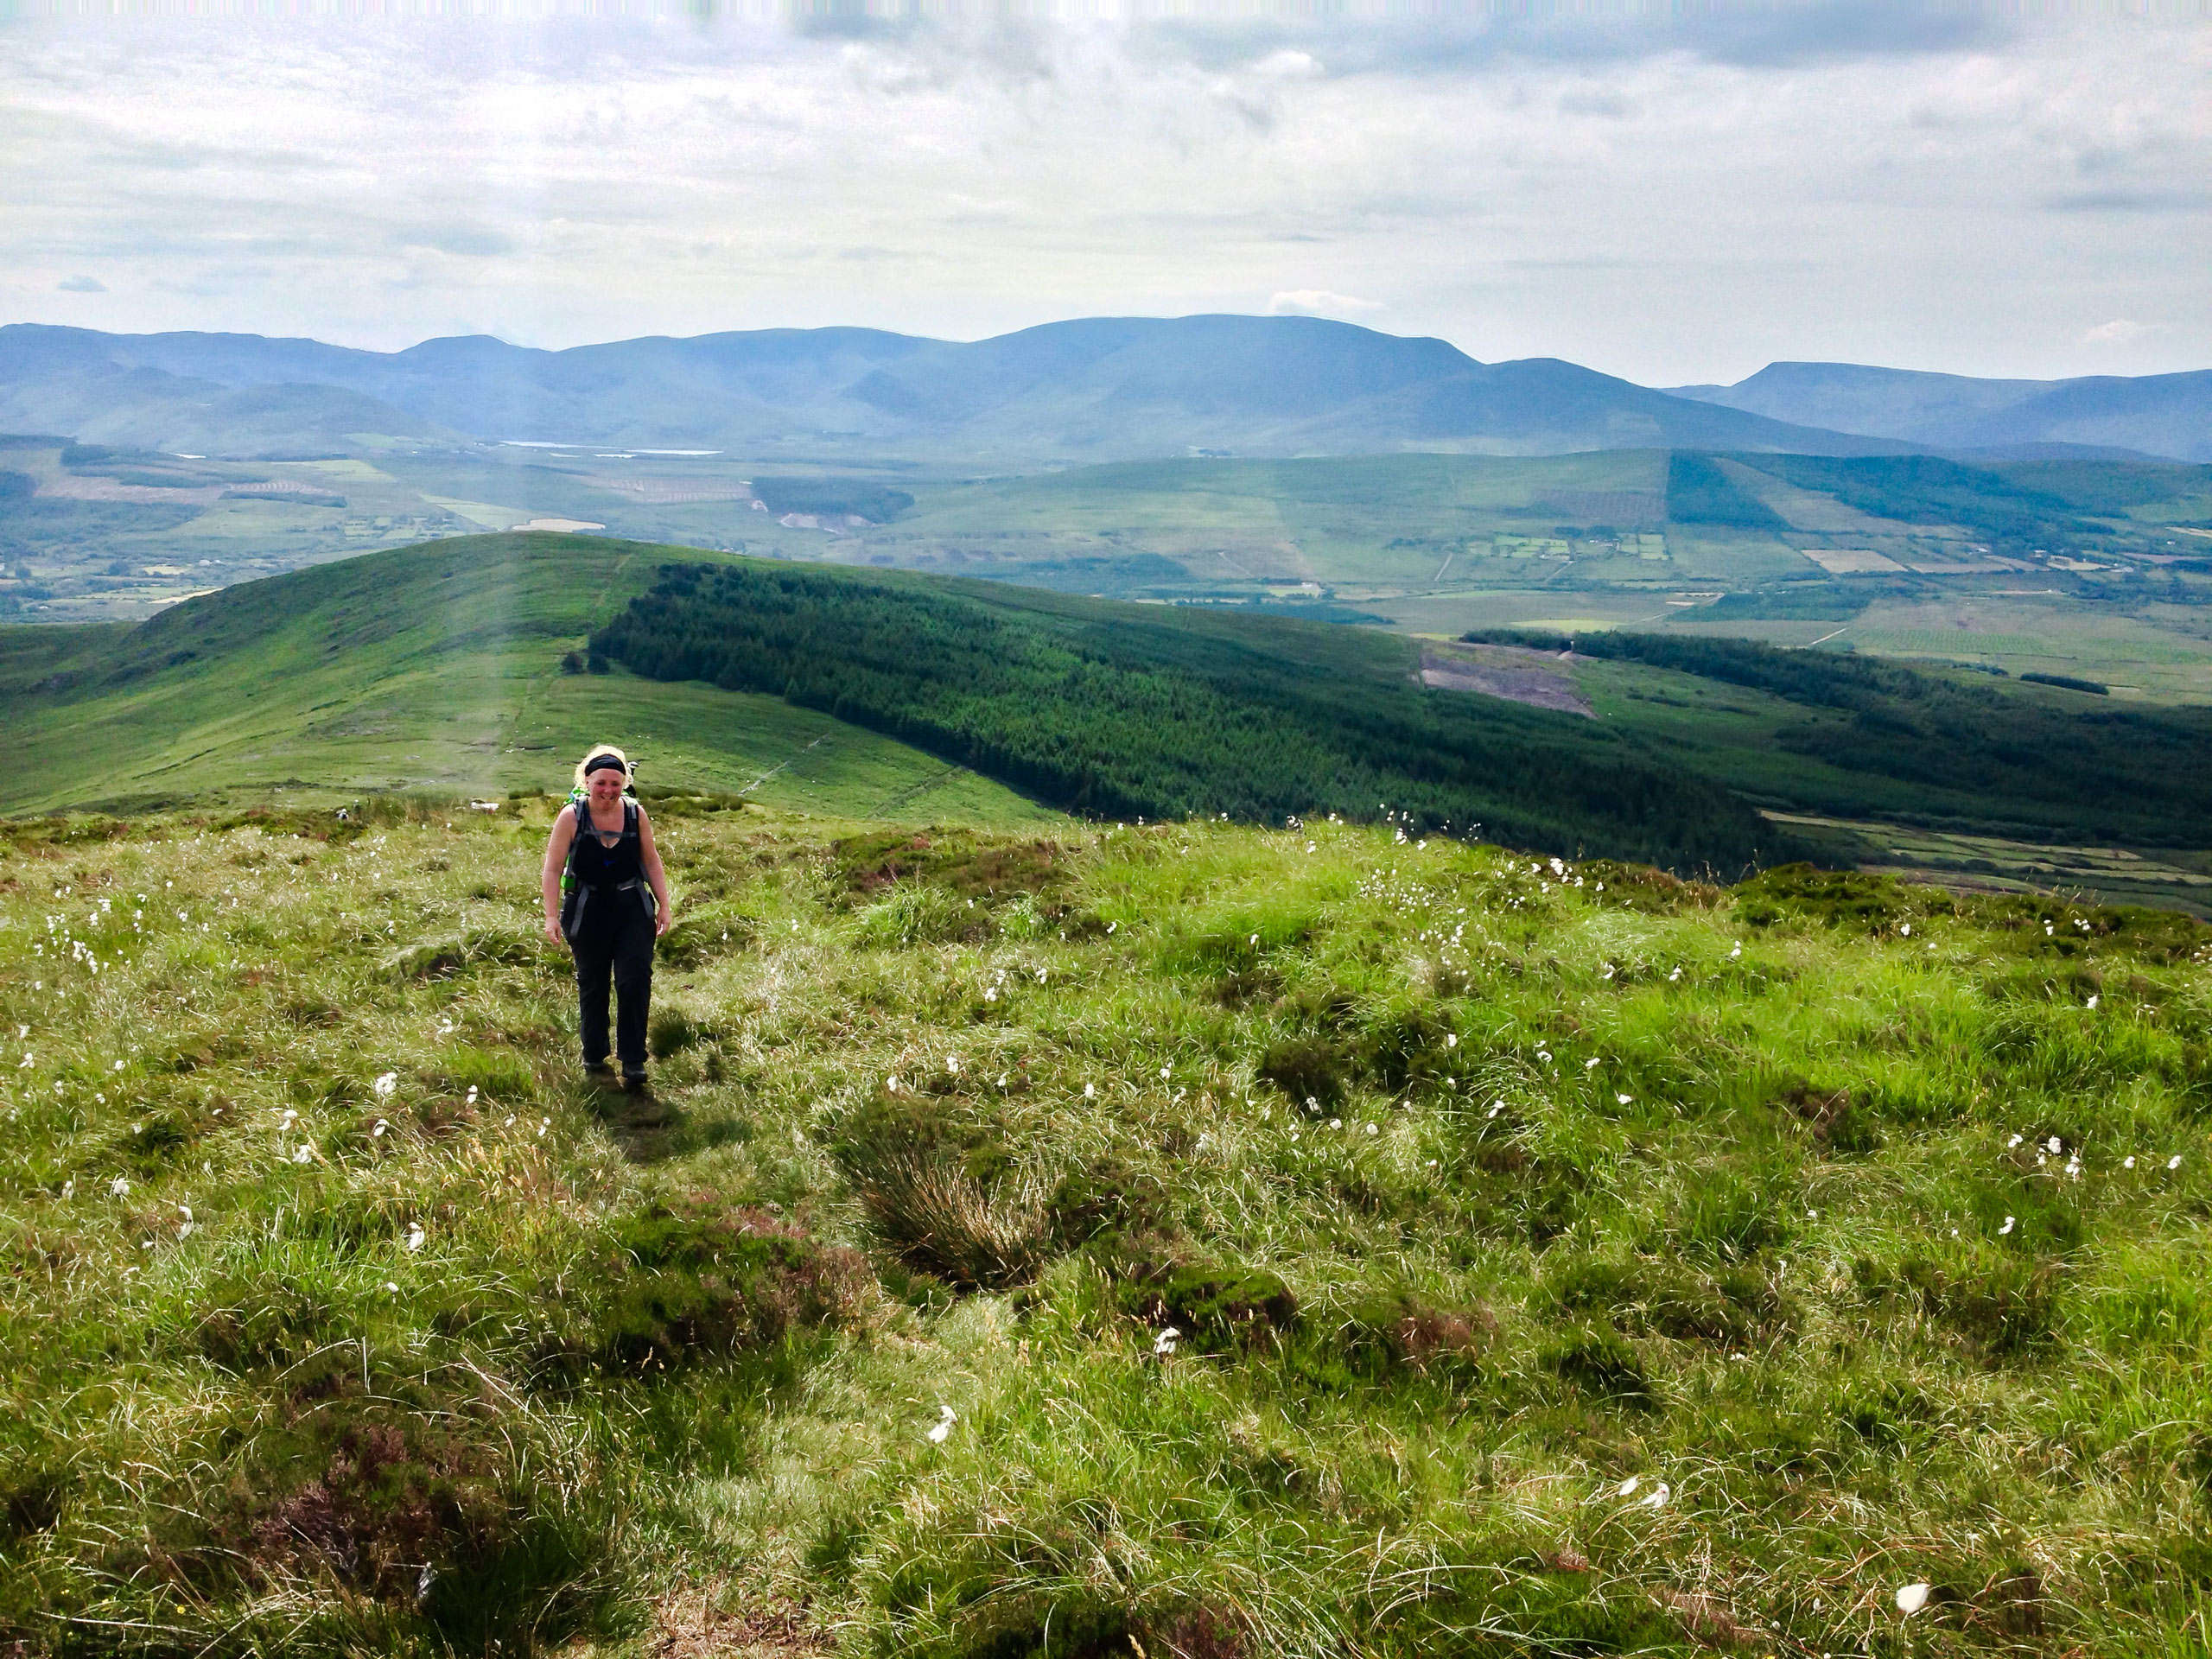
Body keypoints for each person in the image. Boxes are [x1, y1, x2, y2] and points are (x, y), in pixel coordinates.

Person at [541, 746, 671, 1086]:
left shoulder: (635, 813)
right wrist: (551, 917)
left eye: (615, 783)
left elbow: (652, 860)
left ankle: (632, 1059)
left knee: (634, 979)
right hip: (586, 909)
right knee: (593, 982)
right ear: (587, 781)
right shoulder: (571, 816)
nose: (608, 791)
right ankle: (594, 1055)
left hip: (632, 908)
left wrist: (665, 905)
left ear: (624, 784)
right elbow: (553, 869)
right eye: (601, 783)